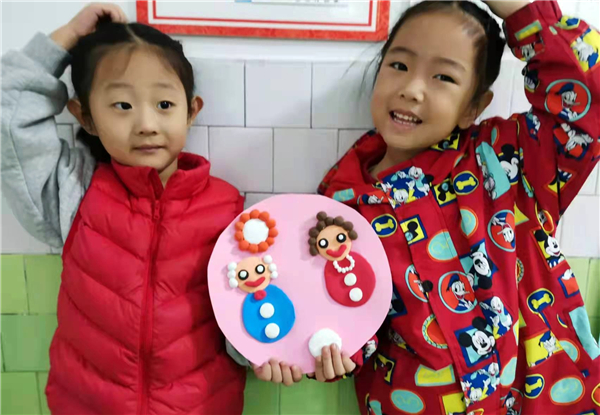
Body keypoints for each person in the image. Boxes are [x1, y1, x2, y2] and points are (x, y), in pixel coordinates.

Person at [317, 1, 600, 414]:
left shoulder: (510, 158)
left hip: (547, 398)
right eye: (399, 66)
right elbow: (349, 316)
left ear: (473, 107)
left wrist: (524, 12)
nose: (412, 89)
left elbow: (587, 99)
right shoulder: (343, 204)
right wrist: (327, 350)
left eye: (444, 77)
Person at [1, 3, 248, 413]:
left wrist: (267, 352)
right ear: (85, 117)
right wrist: (69, 35)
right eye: (122, 106)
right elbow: (9, 111)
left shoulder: (228, 210)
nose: (146, 124)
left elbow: (244, 322)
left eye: (164, 105)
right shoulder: (74, 191)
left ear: (191, 112)